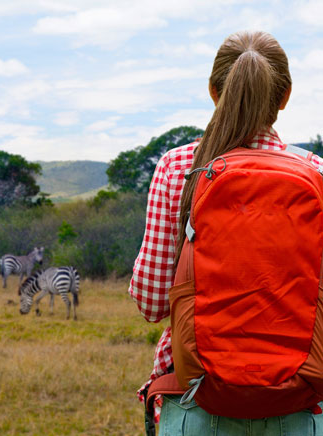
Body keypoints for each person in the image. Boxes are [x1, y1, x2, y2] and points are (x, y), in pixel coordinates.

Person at [129, 30, 323, 436]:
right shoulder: (317, 173)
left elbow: (150, 302)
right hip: (302, 404)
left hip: (196, 398)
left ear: (214, 92)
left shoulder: (179, 166)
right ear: (285, 96)